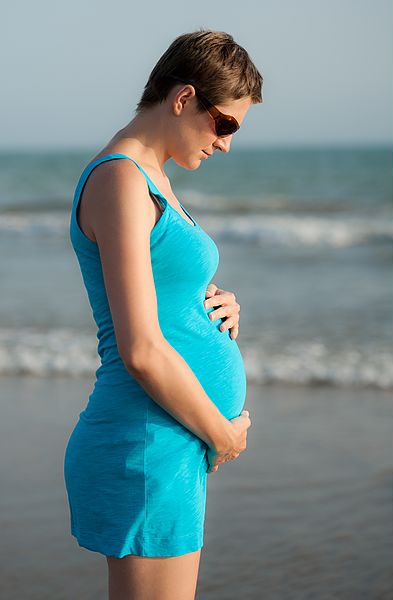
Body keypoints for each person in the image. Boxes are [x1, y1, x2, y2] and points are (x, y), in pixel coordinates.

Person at [63, 29, 263, 599]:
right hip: (146, 442)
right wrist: (220, 435)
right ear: (183, 99)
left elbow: (162, 285)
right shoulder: (120, 180)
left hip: (167, 439)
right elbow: (142, 350)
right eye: (224, 124)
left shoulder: (151, 179)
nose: (226, 144)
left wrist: (216, 303)